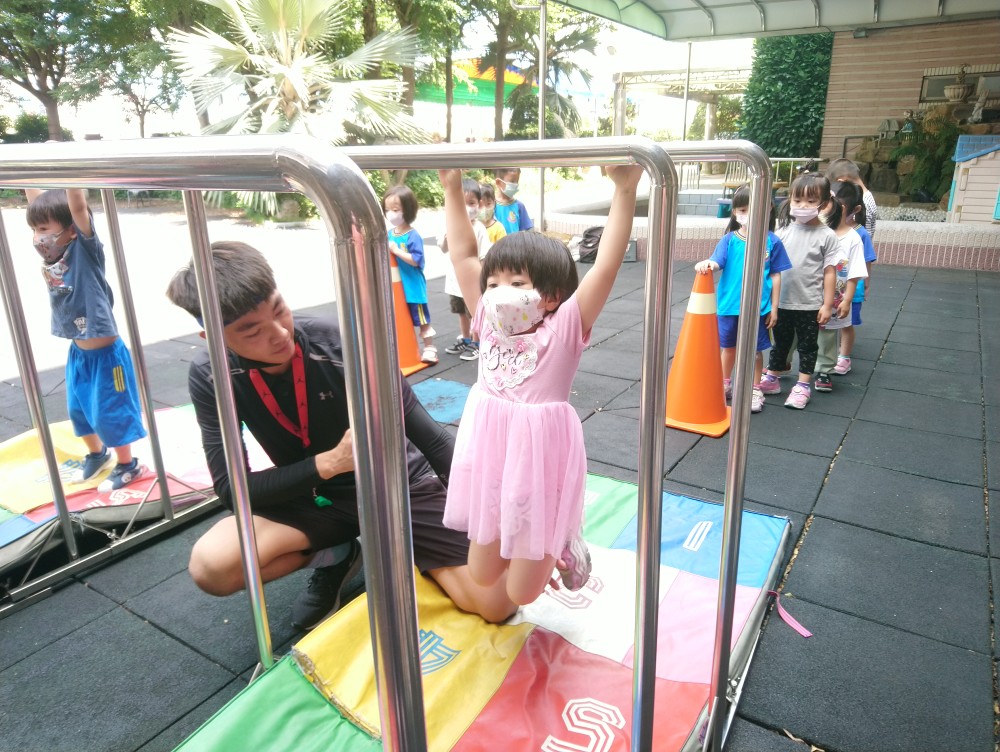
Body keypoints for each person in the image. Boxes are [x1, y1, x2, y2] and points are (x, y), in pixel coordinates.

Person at [165, 241, 517, 630]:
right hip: (314, 496)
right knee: (212, 568)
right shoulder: (211, 375)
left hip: (398, 487)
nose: (279, 333)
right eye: (251, 331)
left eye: (279, 309)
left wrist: (488, 508)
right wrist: (329, 463)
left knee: (496, 603)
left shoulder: (343, 344)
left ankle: (402, 542)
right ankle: (337, 554)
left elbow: (431, 438)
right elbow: (232, 490)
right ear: (213, 339)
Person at [438, 163, 643, 606]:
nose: (499, 291)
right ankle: (542, 541)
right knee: (482, 573)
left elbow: (606, 266)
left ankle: (562, 543)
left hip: (539, 456)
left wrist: (625, 190)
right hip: (492, 455)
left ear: (551, 296)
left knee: (522, 592)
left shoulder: (564, 326)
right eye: (494, 282)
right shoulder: (487, 320)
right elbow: (463, 255)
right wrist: (452, 187)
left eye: (517, 283)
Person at [26, 188, 146, 491]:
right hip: (78, 353)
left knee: (111, 412)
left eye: (43, 229)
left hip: (107, 356)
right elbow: (35, 200)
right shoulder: (55, 256)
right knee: (78, 411)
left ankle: (128, 464)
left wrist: (71, 175)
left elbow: (78, 207)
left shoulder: (85, 250)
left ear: (71, 230)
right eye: (34, 229)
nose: (37, 237)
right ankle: (98, 454)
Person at [694, 185, 792, 414]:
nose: (746, 214)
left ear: (768, 208)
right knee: (728, 348)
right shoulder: (730, 240)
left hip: (758, 308)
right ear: (735, 212)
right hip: (729, 306)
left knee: (755, 351)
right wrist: (708, 264)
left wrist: (774, 308)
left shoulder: (771, 242)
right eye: (742, 209)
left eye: (752, 209)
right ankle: (724, 383)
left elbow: (776, 275)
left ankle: (755, 388)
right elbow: (718, 261)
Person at [758, 173, 840, 410]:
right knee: (780, 343)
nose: (803, 206)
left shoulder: (827, 236)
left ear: (824, 204)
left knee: (807, 345)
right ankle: (773, 377)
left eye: (810, 201)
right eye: (797, 200)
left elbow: (830, 272)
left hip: (809, 303)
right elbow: (770, 267)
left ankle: (803, 385)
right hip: (781, 301)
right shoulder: (782, 232)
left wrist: (827, 304)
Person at [812, 181, 869, 394]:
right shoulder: (817, 230)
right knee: (800, 331)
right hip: (810, 295)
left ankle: (824, 370)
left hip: (835, 298)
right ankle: (782, 365)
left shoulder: (853, 239)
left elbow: (854, 273)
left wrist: (847, 300)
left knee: (827, 334)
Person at [825, 159, 877, 374]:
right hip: (830, 286)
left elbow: (867, 260)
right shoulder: (827, 230)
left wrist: (866, 283)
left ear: (854, 209)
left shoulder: (859, 234)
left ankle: (844, 356)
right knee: (827, 321)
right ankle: (828, 354)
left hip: (851, 287)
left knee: (847, 323)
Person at [383, 185, 437, 364]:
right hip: (396, 289)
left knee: (422, 319)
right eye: (387, 210)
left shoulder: (412, 236)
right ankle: (403, 349)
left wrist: (396, 251)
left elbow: (416, 260)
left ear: (407, 209)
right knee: (398, 319)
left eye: (395, 209)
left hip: (413, 287)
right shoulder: (389, 234)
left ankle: (429, 348)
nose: (391, 214)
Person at [443, 179, 495, 362]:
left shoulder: (478, 228)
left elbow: (484, 256)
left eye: (471, 203)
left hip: (471, 282)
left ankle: (476, 341)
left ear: (479, 204)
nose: (466, 208)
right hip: (454, 281)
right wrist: (446, 239)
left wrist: (483, 280)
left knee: (474, 312)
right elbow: (443, 248)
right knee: (460, 312)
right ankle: (465, 338)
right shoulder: (451, 226)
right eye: (462, 203)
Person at [493, 167, 534, 234]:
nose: (515, 185)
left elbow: (527, 232)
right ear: (498, 182)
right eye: (512, 182)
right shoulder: (491, 206)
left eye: (517, 181)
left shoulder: (519, 206)